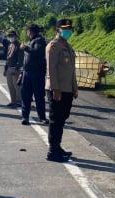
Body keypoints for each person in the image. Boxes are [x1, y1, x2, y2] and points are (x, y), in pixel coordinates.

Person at [45, 19, 77, 162]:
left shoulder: (69, 47)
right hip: (57, 90)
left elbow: (71, 70)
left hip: (67, 90)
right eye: (65, 28)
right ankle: (52, 151)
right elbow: (51, 69)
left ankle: (57, 146)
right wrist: (55, 88)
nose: (68, 31)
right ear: (58, 30)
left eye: (69, 28)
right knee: (55, 120)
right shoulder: (53, 46)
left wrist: (74, 88)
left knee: (62, 119)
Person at [20, 23, 48, 126]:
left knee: (39, 96)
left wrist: (25, 48)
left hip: (37, 73)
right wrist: (22, 72)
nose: (27, 33)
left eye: (28, 31)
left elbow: (38, 52)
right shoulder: (30, 41)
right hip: (27, 73)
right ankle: (25, 117)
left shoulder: (39, 41)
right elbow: (26, 60)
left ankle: (42, 117)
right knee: (26, 96)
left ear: (31, 32)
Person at [4, 29, 23, 107]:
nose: (11, 37)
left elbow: (20, 58)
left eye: (12, 35)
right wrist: (5, 69)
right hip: (9, 67)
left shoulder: (19, 45)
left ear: (16, 36)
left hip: (16, 68)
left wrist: (17, 69)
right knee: (10, 85)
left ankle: (19, 101)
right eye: (9, 36)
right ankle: (13, 100)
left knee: (17, 86)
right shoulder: (10, 45)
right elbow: (8, 58)